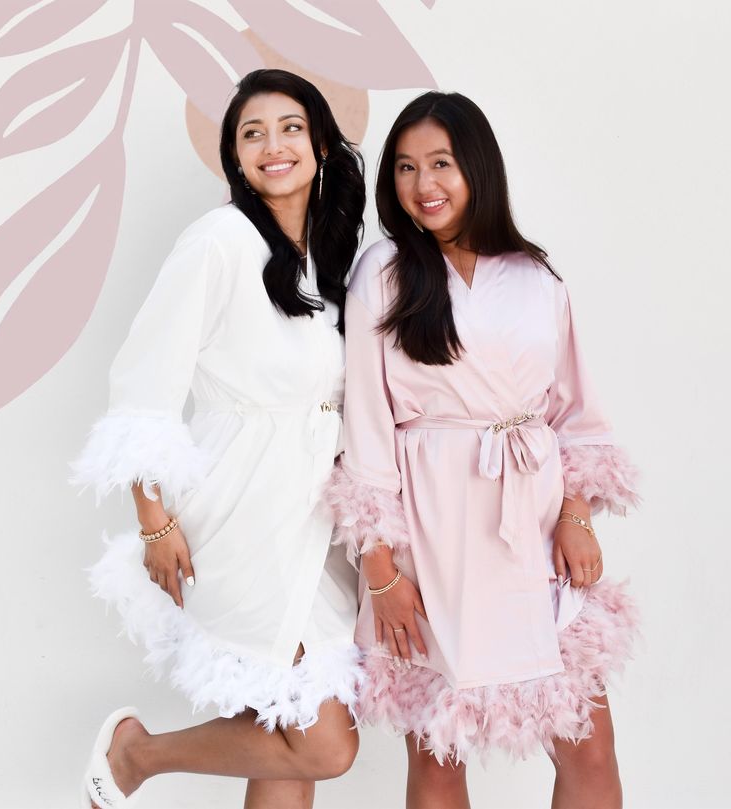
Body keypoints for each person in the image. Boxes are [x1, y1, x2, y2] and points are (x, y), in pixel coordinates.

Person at [325, 91, 640, 809]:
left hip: (533, 529)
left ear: (478, 167)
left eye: (440, 163)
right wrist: (379, 568)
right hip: (435, 541)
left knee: (589, 747)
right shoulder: (384, 273)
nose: (422, 184)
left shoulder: (537, 277)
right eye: (405, 168)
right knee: (440, 758)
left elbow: (573, 410)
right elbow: (366, 429)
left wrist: (576, 514)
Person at [72, 68, 366, 809]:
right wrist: (154, 519)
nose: (273, 145)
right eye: (251, 133)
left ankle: (142, 753)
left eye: (290, 127)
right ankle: (137, 753)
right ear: (235, 158)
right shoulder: (218, 241)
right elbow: (143, 386)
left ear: (322, 143)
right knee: (327, 742)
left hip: (312, 522)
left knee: (283, 732)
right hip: (242, 515)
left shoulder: (326, 257)